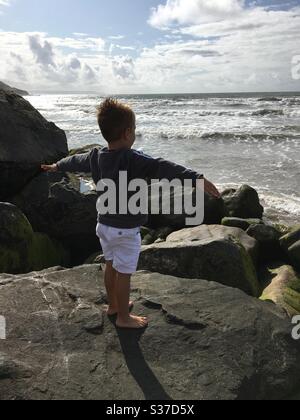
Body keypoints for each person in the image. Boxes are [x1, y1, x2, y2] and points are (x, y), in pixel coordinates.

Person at [42, 98, 220, 329]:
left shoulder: (96, 156)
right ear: (127, 133)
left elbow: (75, 161)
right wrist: (195, 177)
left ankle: (114, 305)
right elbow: (162, 166)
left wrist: (57, 166)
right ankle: (124, 318)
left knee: (110, 265)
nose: (134, 134)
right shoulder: (132, 158)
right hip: (125, 230)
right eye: (134, 130)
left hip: (103, 225)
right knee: (124, 272)